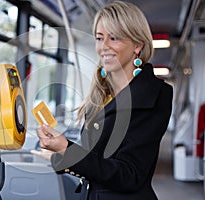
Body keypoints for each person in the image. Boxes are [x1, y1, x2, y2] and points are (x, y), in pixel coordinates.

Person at [31, 1, 173, 199]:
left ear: (137, 45)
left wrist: (66, 149)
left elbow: (129, 174)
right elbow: (96, 157)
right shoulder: (100, 92)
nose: (103, 46)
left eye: (113, 38)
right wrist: (61, 156)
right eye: (99, 38)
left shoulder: (155, 95)